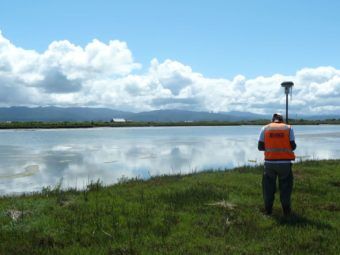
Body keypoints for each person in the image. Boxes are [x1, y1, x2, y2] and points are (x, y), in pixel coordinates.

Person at [258, 113, 297, 216]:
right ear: (282, 119)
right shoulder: (289, 128)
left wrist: (271, 147)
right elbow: (293, 146)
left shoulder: (265, 128)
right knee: (285, 188)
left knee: (268, 188)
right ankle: (286, 212)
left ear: (272, 119)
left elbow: (260, 147)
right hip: (285, 164)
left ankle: (268, 212)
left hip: (269, 163)